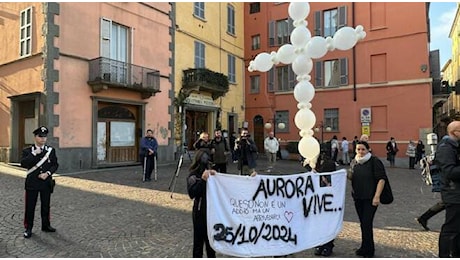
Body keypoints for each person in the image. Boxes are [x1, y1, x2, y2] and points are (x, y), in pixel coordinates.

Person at [349, 141, 388, 258]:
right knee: (363, 224)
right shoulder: (354, 161)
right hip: (358, 197)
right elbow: (351, 177)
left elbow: (381, 179)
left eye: (363, 149)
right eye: (358, 149)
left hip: (370, 198)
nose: (360, 152)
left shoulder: (374, 161)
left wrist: (377, 196)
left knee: (366, 223)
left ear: (368, 149)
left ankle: (369, 250)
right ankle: (364, 247)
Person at [21, 126, 59, 239]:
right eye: (40, 136)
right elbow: (23, 164)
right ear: (35, 137)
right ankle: (28, 228)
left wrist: (47, 173)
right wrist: (34, 154)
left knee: (45, 205)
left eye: (44, 137)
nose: (43, 139)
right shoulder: (27, 151)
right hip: (32, 183)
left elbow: (55, 165)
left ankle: (46, 225)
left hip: (46, 183)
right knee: (30, 206)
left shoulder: (50, 151)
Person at [435, 121, 460, 257]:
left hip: (456, 193)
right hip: (453, 193)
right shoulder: (446, 148)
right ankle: (444, 255)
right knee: (451, 229)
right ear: (454, 132)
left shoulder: (455, 146)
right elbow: (449, 171)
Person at [186, 149, 217, 258]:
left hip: (211, 212)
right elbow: (192, 193)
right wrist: (203, 180)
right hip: (200, 212)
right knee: (198, 243)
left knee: (211, 245)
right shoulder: (193, 175)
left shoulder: (212, 173)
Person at [313, 152, 337, 256]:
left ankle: (328, 245)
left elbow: (332, 184)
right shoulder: (313, 163)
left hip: (328, 201)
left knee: (328, 223)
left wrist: (325, 180)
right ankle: (320, 244)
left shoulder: (329, 164)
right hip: (317, 201)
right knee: (318, 224)